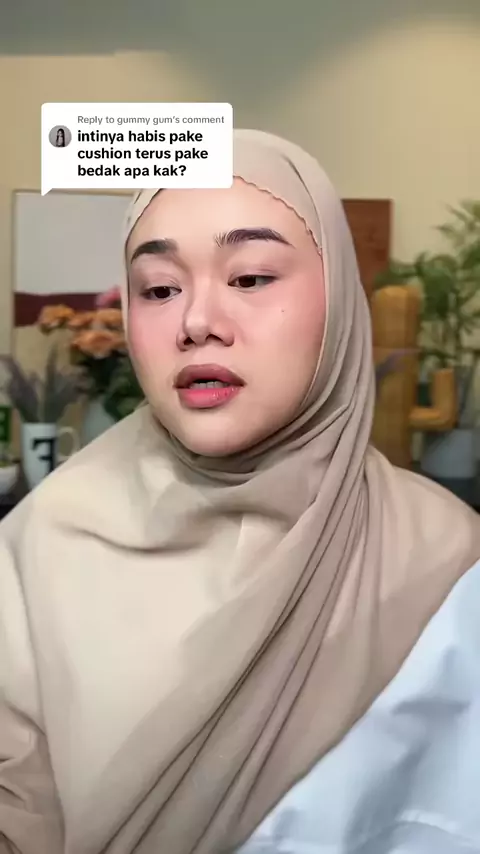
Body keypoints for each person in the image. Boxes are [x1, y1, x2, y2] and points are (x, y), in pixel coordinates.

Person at [0, 129, 478, 854]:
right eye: (159, 289)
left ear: (340, 300)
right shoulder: (38, 544)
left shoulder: (447, 563)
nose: (196, 322)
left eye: (251, 278)